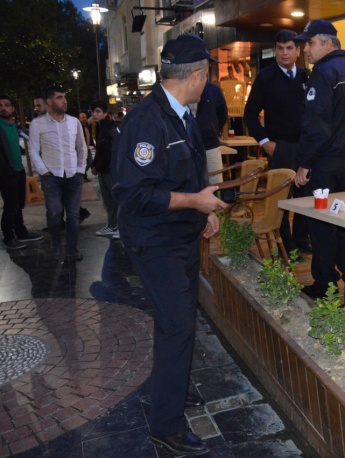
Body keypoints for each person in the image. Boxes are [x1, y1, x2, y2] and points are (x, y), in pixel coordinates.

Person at [111, 34, 227, 456]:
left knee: (179, 322)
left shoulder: (183, 115)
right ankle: (167, 424)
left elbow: (190, 175)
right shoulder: (147, 122)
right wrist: (195, 202)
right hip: (154, 241)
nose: (207, 81)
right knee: (176, 326)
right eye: (207, 74)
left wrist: (203, 209)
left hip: (180, 234)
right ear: (197, 75)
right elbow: (133, 195)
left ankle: (172, 388)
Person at [293, 19, 345, 301]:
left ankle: (325, 283)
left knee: (321, 225)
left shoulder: (323, 73)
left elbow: (316, 125)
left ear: (329, 44)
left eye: (310, 43)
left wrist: (305, 163)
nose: (305, 50)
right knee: (343, 222)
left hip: (324, 165)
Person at [244, 29, 311, 256]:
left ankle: (301, 241)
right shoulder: (266, 77)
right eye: (280, 48)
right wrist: (265, 143)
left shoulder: (306, 76)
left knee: (305, 197)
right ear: (275, 50)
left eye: (289, 48)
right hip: (279, 147)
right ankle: (286, 247)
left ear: (298, 50)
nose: (284, 53)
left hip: (305, 147)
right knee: (281, 199)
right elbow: (250, 114)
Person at [28, 86, 87, 261]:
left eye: (64, 97)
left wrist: (80, 170)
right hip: (51, 176)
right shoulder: (38, 124)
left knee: (73, 215)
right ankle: (55, 240)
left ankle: (72, 249)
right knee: (54, 212)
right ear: (49, 101)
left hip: (73, 175)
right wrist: (43, 170)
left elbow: (82, 147)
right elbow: (33, 149)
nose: (64, 101)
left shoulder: (74, 122)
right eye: (59, 97)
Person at [0, 95, 43, 250]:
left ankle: (21, 232)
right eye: (0, 105)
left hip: (18, 171)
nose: (3, 108)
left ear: (12, 109)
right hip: (6, 173)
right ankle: (8, 238)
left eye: (6, 105)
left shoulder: (12, 126)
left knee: (19, 204)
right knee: (11, 206)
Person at [90, 100, 119, 239]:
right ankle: (113, 225)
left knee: (114, 198)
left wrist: (97, 166)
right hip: (104, 168)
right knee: (108, 198)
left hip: (109, 169)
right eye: (93, 112)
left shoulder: (110, 127)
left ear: (105, 113)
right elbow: (100, 150)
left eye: (98, 111)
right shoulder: (101, 127)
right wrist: (95, 165)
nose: (94, 114)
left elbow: (109, 151)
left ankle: (118, 226)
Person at [195, 81, 228, 184]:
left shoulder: (213, 90)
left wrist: (213, 130)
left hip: (211, 144)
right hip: (187, 145)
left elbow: (223, 114)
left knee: (216, 182)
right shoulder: (182, 88)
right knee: (191, 182)